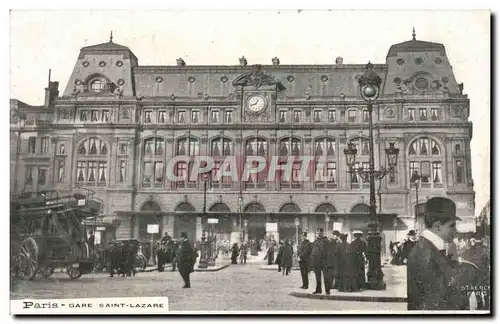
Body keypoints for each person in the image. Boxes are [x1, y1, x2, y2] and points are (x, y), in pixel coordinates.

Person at [407, 197, 467, 310]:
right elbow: (435, 303)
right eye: (452, 226)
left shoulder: (428, 248)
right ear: (438, 226)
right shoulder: (425, 253)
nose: (456, 231)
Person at [310, 228, 328, 294]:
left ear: (322, 233)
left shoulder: (325, 241)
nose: (319, 234)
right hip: (317, 262)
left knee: (326, 277)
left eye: (320, 233)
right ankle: (318, 290)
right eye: (318, 233)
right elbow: (313, 252)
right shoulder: (315, 241)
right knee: (318, 277)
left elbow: (327, 251)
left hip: (324, 261)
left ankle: (327, 290)